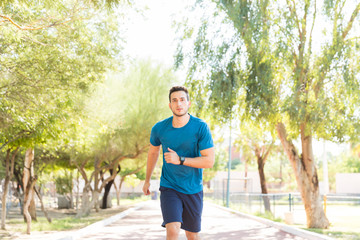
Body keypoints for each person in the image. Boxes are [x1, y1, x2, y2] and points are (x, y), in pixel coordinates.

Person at [142, 86, 215, 240]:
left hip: (193, 188)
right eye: (174, 100)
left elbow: (209, 161)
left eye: (182, 99)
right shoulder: (159, 128)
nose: (178, 103)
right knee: (173, 229)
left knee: (192, 235)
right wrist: (147, 180)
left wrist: (180, 160)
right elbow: (153, 152)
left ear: (188, 103)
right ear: (170, 105)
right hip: (170, 186)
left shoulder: (200, 127)